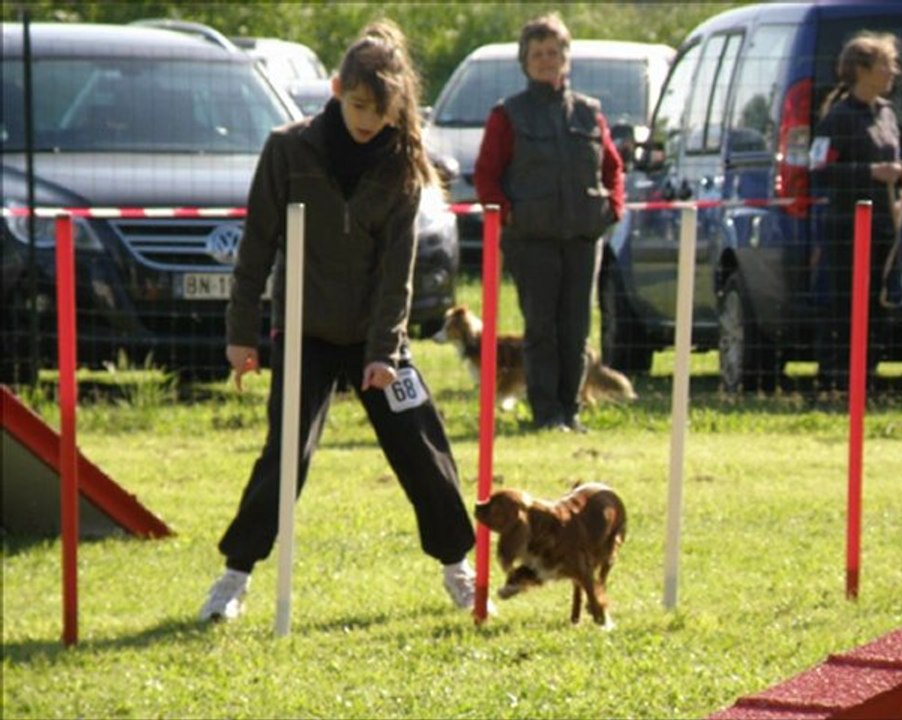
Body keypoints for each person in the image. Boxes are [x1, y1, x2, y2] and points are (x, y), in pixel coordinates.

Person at [199, 20, 481, 622]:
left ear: (397, 108)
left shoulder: (404, 164)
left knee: (422, 447)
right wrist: (240, 334)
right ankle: (234, 579)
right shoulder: (287, 150)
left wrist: (384, 351)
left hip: (376, 340)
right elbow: (256, 248)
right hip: (304, 333)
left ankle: (459, 566)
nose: (365, 121)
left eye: (378, 112)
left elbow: (396, 271)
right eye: (356, 106)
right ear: (335, 89)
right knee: (286, 457)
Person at [473, 13, 625, 433]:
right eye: (537, 53)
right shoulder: (508, 115)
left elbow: (613, 167)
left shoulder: (589, 113)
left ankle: (570, 411)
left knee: (576, 328)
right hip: (531, 241)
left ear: (566, 58)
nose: (546, 60)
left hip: (581, 237)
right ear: (525, 61)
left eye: (553, 52)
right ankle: (546, 414)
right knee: (541, 329)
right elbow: (486, 176)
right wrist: (509, 215)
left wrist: (613, 207)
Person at [810, 31, 902, 393]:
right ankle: (835, 381)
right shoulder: (838, 118)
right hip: (846, 229)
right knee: (844, 305)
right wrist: (869, 173)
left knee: (878, 305)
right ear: (861, 69)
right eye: (886, 64)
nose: (893, 72)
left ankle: (866, 379)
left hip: (885, 225)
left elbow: (888, 159)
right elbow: (818, 169)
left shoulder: (887, 113)